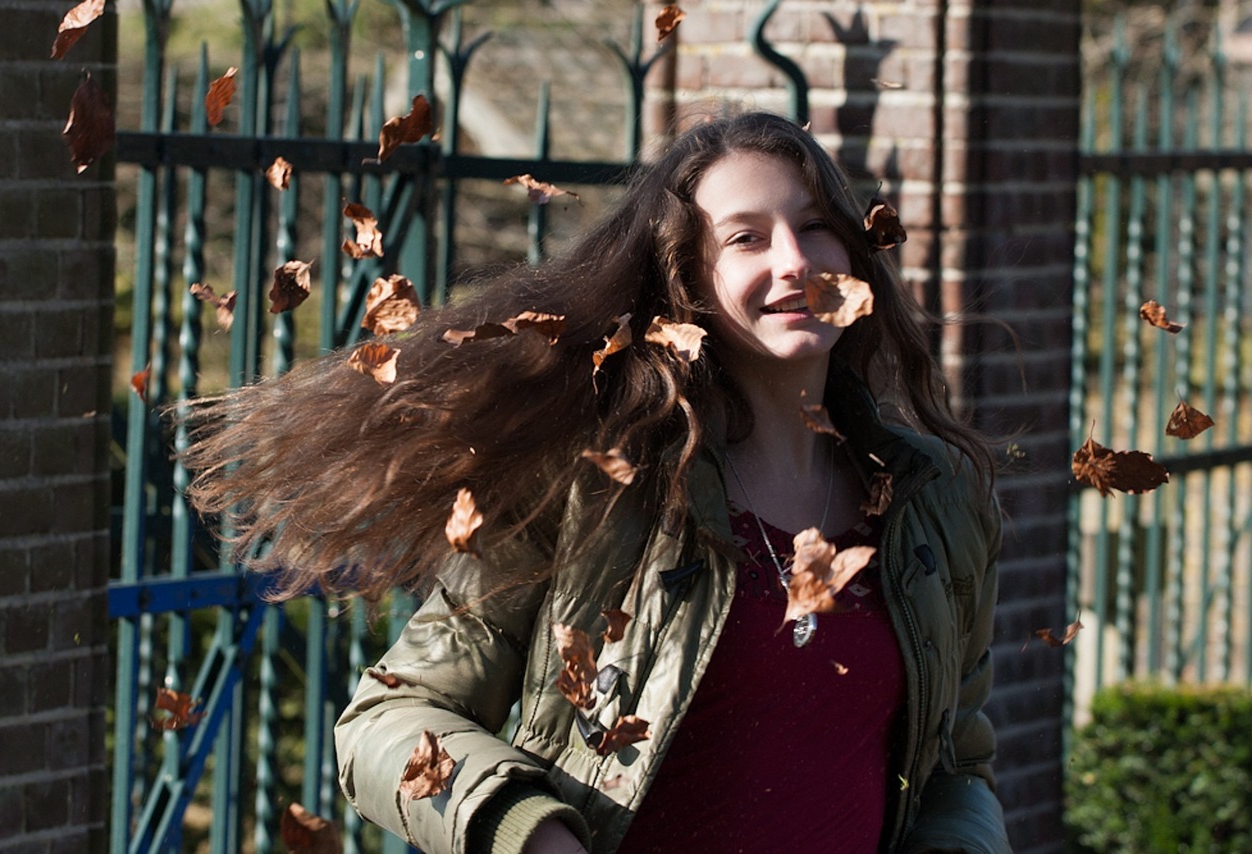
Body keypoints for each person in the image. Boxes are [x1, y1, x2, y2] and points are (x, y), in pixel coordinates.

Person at [180, 111, 1010, 853]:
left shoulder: (931, 496)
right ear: (689, 284)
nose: (795, 262)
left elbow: (956, 765)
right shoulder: (599, 486)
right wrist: (529, 833)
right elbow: (388, 722)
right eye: (748, 239)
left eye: (816, 226)